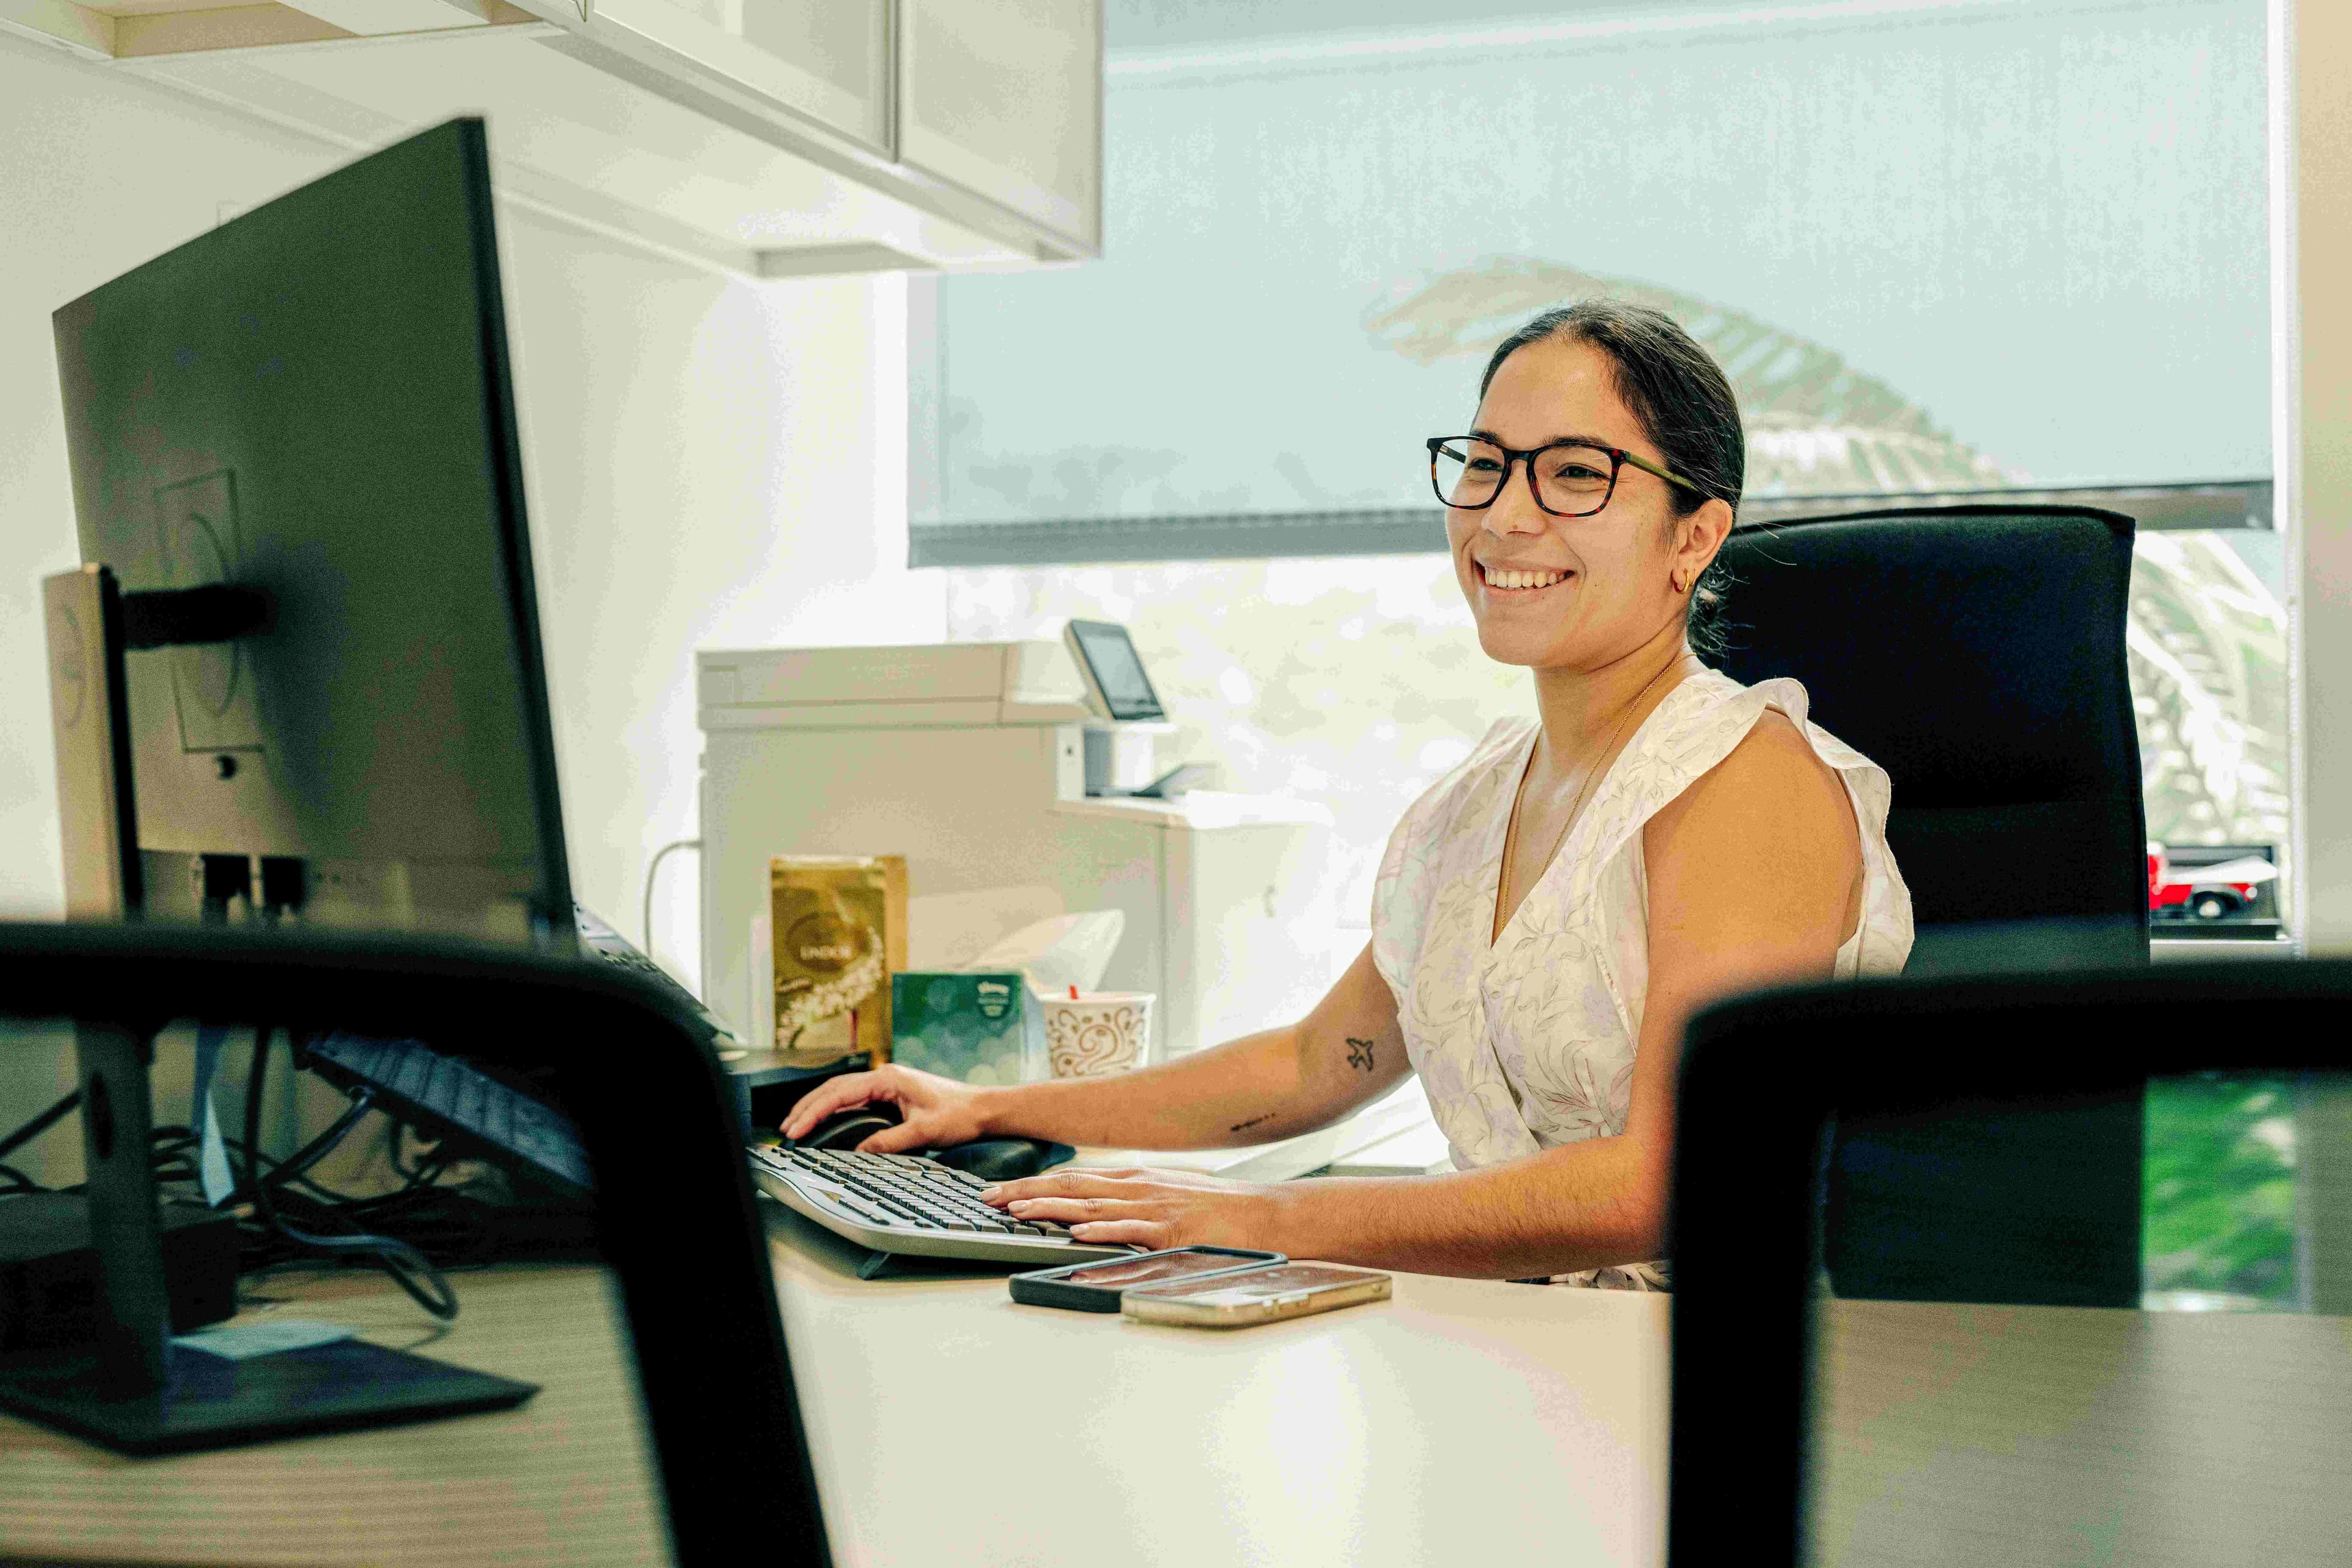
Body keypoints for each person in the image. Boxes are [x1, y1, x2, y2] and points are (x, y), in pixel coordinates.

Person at [784, 301, 1913, 1286]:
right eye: (1486, 462)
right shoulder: (1473, 806)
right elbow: (1317, 1064)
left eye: (1577, 474)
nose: (1506, 515)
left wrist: (1261, 1223)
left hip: (1704, 1391)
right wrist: (993, 1110)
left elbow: (1667, 1183)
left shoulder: (1743, 776)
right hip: (1502, 1344)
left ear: (1695, 536)